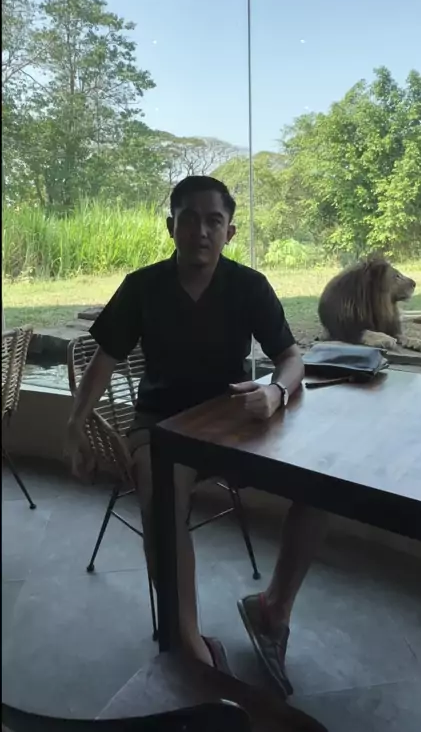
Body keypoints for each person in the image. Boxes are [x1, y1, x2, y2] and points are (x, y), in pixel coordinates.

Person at [66, 175, 327, 696]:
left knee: (320, 484)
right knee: (160, 489)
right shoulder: (142, 287)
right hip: (160, 425)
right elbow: (104, 360)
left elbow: (291, 358)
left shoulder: (249, 286)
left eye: (214, 221)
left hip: (233, 423)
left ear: (230, 232)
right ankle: (188, 641)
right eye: (189, 219)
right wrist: (75, 425)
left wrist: (276, 392)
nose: (201, 231)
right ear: (171, 227)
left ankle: (272, 609)